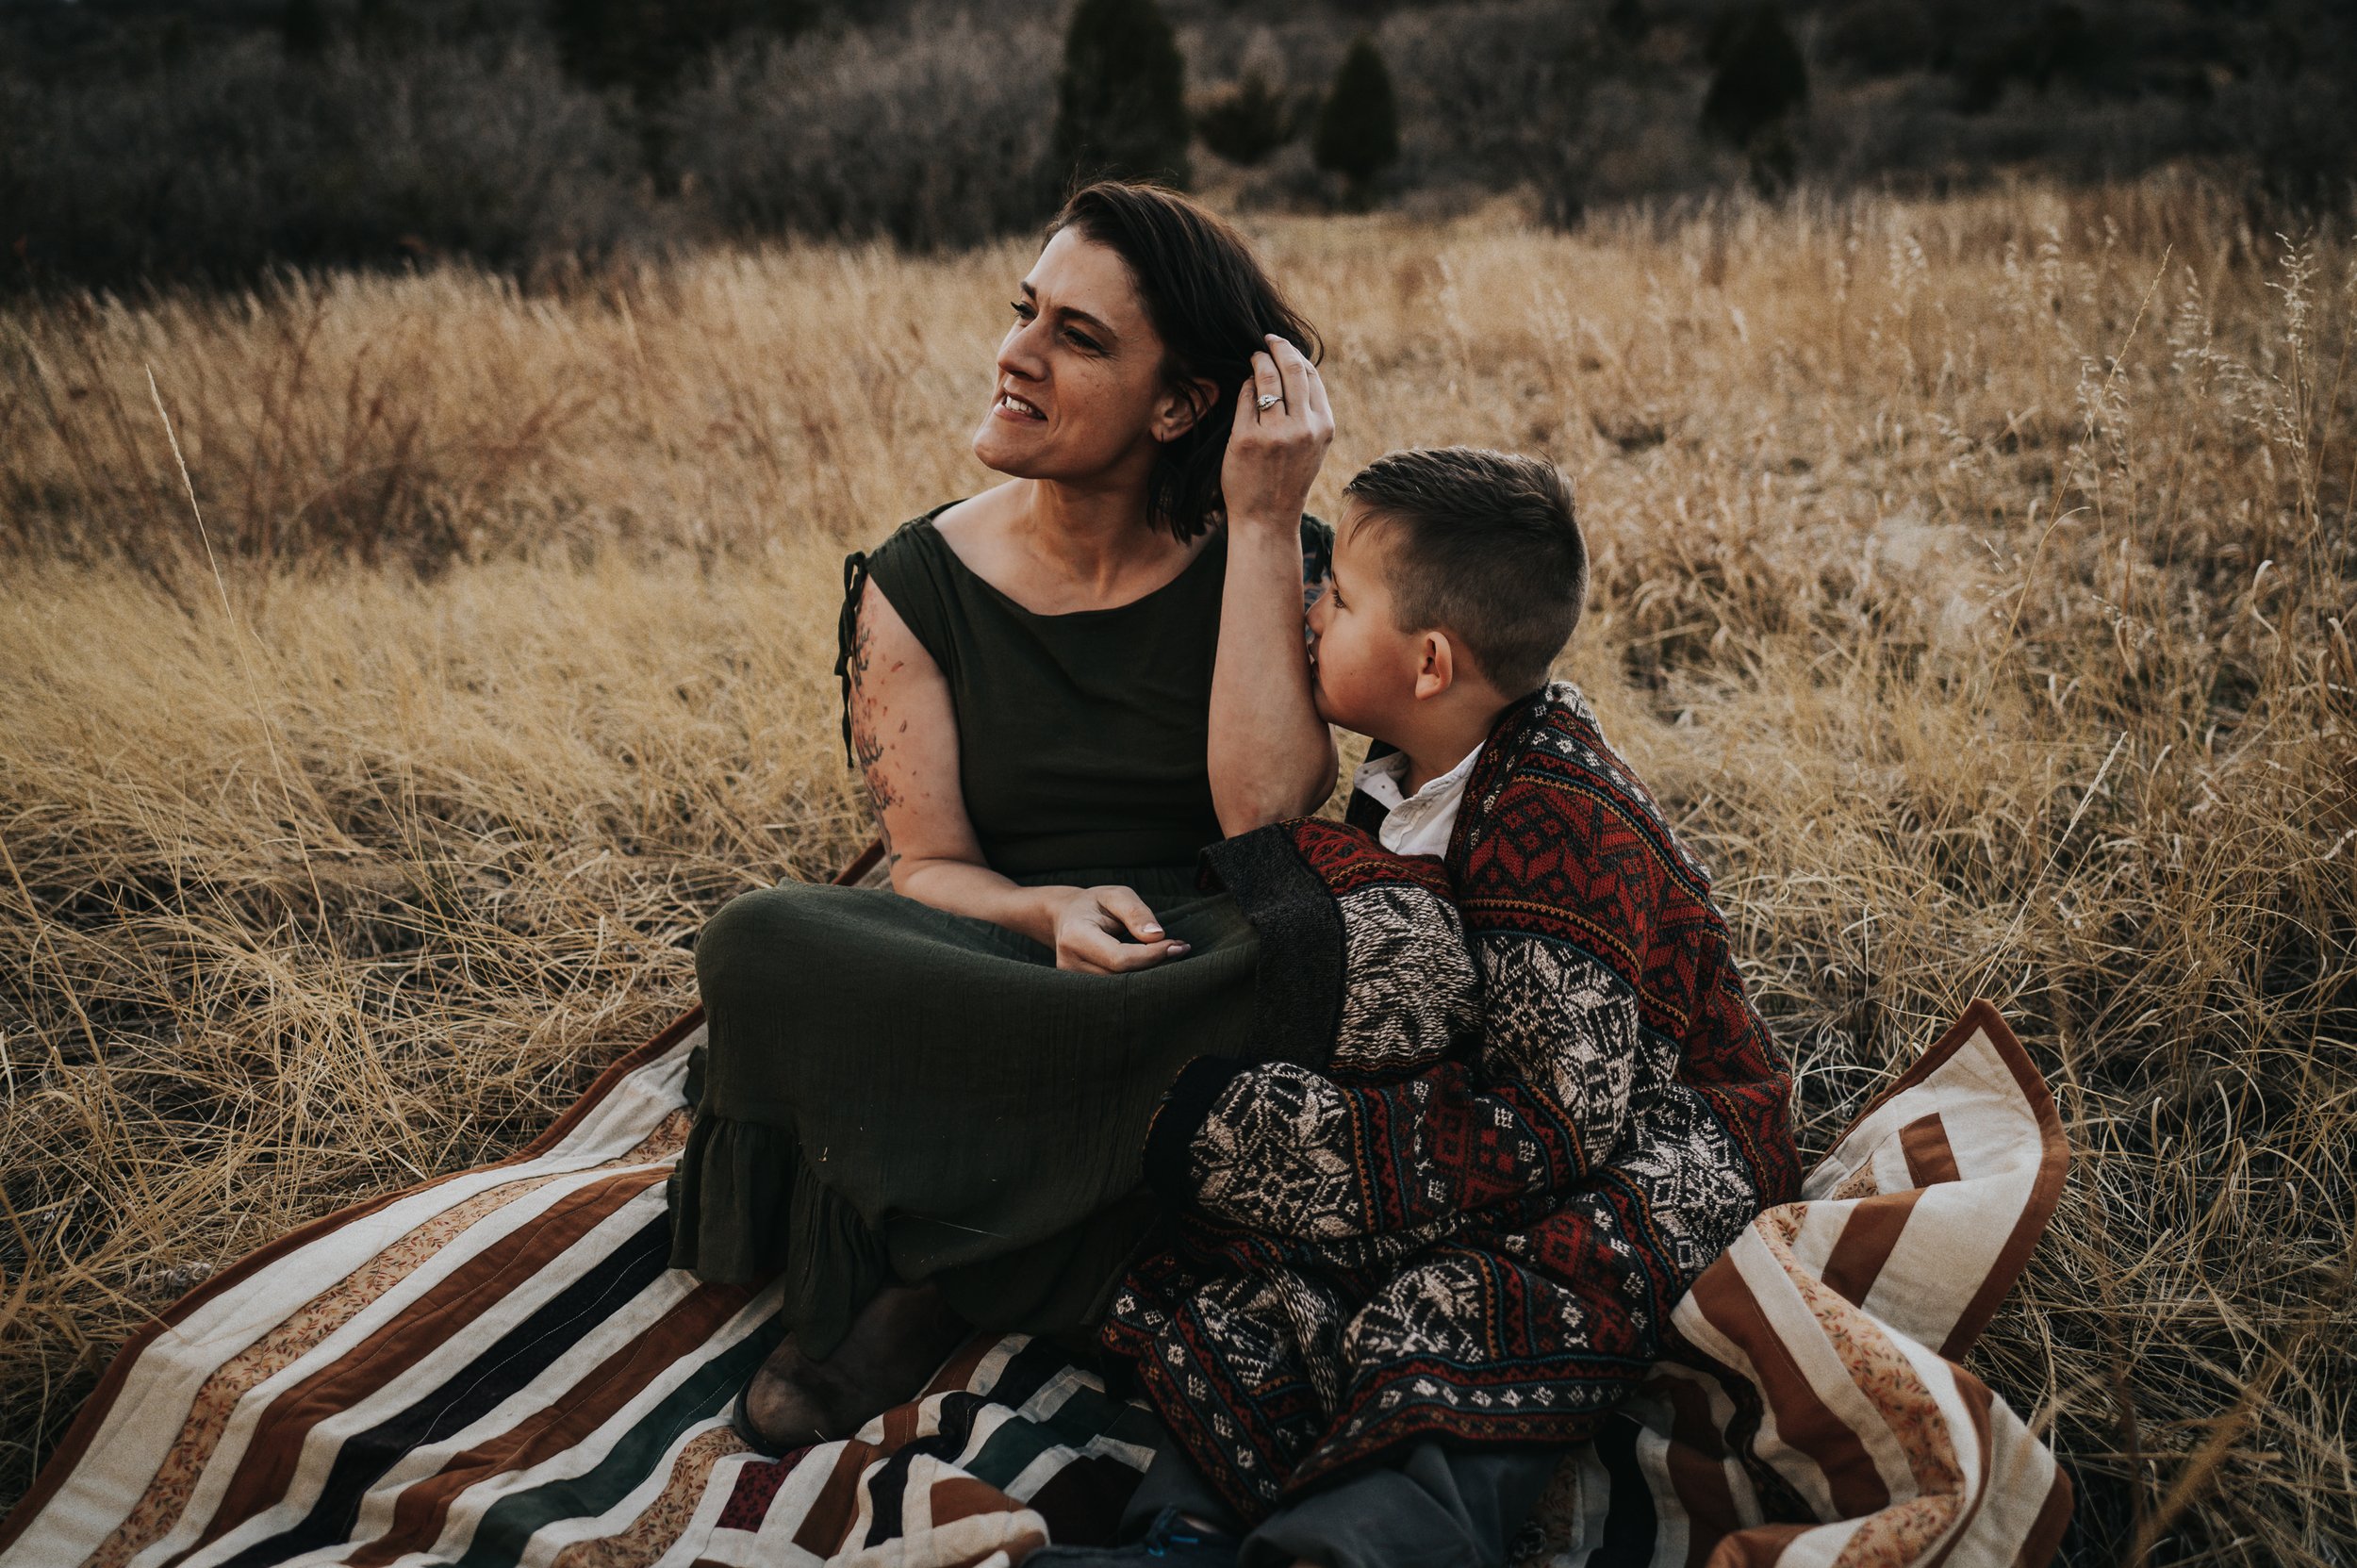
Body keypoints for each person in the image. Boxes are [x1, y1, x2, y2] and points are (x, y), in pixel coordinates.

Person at [665, 181, 1343, 1455]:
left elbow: (1262, 816)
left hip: (1195, 949)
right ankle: (1098, 1215)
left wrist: (1260, 516)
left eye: (1078, 338)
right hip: (1004, 957)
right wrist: (1044, 909)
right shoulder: (913, 583)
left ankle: (944, 1270)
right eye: (1025, 312)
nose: (1015, 354)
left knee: (1307, 942)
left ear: (1182, 402)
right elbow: (928, 868)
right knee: (756, 940)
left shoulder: (1271, 551)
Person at [1053, 448, 1804, 1568]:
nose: (1311, 605)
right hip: (1506, 1098)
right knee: (1278, 1275)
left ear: (1430, 659)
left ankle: (1356, 1545)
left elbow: (1558, 1114)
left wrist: (1278, 1143)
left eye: (1338, 596)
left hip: (1660, 1120)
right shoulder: (1402, 767)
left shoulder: (1563, 815)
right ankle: (1181, 1532)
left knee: (1499, 1298)